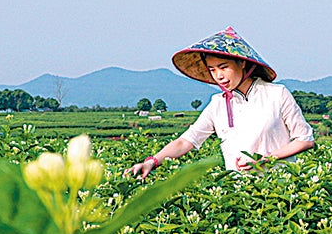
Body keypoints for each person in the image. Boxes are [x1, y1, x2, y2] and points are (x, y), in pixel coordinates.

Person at [126, 28, 314, 178]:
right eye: (213, 70)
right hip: (236, 195)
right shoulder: (217, 104)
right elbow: (186, 141)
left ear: (242, 63)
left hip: (277, 190)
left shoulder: (276, 94)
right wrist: (152, 161)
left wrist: (264, 160)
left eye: (224, 67)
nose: (219, 76)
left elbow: (304, 140)